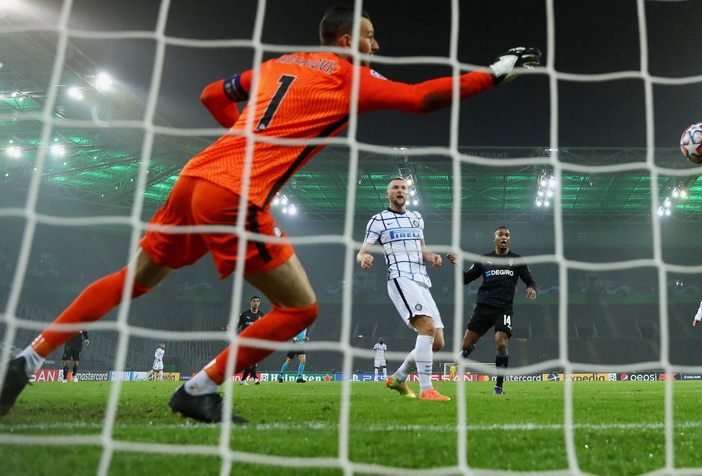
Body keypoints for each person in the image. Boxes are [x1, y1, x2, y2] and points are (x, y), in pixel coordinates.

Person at [0, 5, 540, 422]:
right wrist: (495, 73)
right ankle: (198, 390)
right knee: (301, 309)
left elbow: (211, 94)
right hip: (234, 194)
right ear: (347, 41)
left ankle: (28, 358)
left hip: (194, 177)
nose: (378, 44)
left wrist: (243, 140)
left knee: (132, 280)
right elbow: (422, 99)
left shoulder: (277, 64)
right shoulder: (346, 76)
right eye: (371, 36)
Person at [357, 177, 450, 401]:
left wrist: (432, 257)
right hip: (400, 278)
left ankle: (398, 378)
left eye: (403, 188)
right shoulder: (378, 220)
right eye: (395, 188)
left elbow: (422, 250)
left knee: (438, 342)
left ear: (408, 193)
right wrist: (364, 258)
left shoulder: (416, 218)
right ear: (387, 194)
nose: (400, 191)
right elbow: (362, 252)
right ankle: (426, 389)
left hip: (422, 280)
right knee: (427, 327)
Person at [446, 226, 536, 395]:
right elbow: (465, 279)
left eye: (507, 235)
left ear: (509, 240)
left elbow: (529, 279)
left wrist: (531, 287)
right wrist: (457, 264)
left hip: (504, 308)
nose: (504, 237)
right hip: (483, 307)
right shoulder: (484, 259)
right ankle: (467, 350)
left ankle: (498, 387)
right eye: (500, 235)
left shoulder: (517, 260)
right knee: (466, 344)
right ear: (494, 239)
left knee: (501, 343)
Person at [237, 296, 265, 385]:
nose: (255, 303)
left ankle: (246, 379)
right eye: (254, 301)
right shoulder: (244, 314)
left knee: (253, 362)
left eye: (257, 301)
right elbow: (237, 326)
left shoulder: (262, 315)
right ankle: (253, 378)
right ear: (251, 302)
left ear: (259, 303)